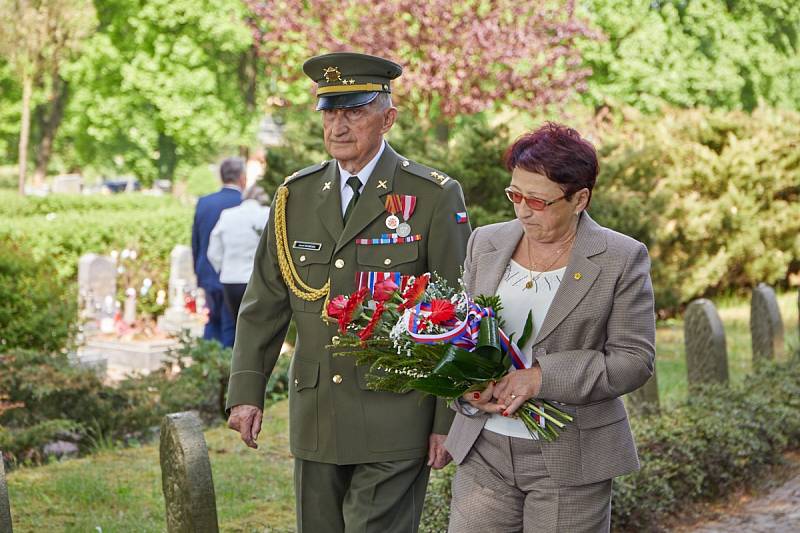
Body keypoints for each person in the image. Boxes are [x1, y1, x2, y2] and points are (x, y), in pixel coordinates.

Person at [225, 52, 472, 533]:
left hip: (396, 414)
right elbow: (264, 305)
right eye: (329, 111)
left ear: (388, 118)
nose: (338, 125)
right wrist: (246, 391)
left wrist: (447, 417)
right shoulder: (295, 197)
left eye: (354, 111)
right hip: (317, 417)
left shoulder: (432, 196)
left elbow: (455, 311)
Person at [444, 123, 656, 533]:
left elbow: (634, 361)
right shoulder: (485, 242)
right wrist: (467, 385)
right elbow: (464, 333)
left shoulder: (621, 257)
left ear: (580, 198)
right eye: (515, 194)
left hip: (570, 456)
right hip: (482, 450)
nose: (522, 210)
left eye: (538, 201)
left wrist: (539, 379)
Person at [191, 157, 244, 348]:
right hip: (237, 277)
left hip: (208, 273)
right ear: (242, 178)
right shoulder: (243, 203)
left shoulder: (204, 202)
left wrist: (199, 274)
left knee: (212, 323)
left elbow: (195, 242)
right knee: (231, 328)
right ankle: (224, 370)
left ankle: (207, 363)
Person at [206, 185, 271, 327]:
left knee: (237, 325)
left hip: (231, 279)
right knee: (257, 327)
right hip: (256, 279)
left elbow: (214, 251)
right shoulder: (266, 213)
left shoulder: (227, 215)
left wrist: (223, 267)